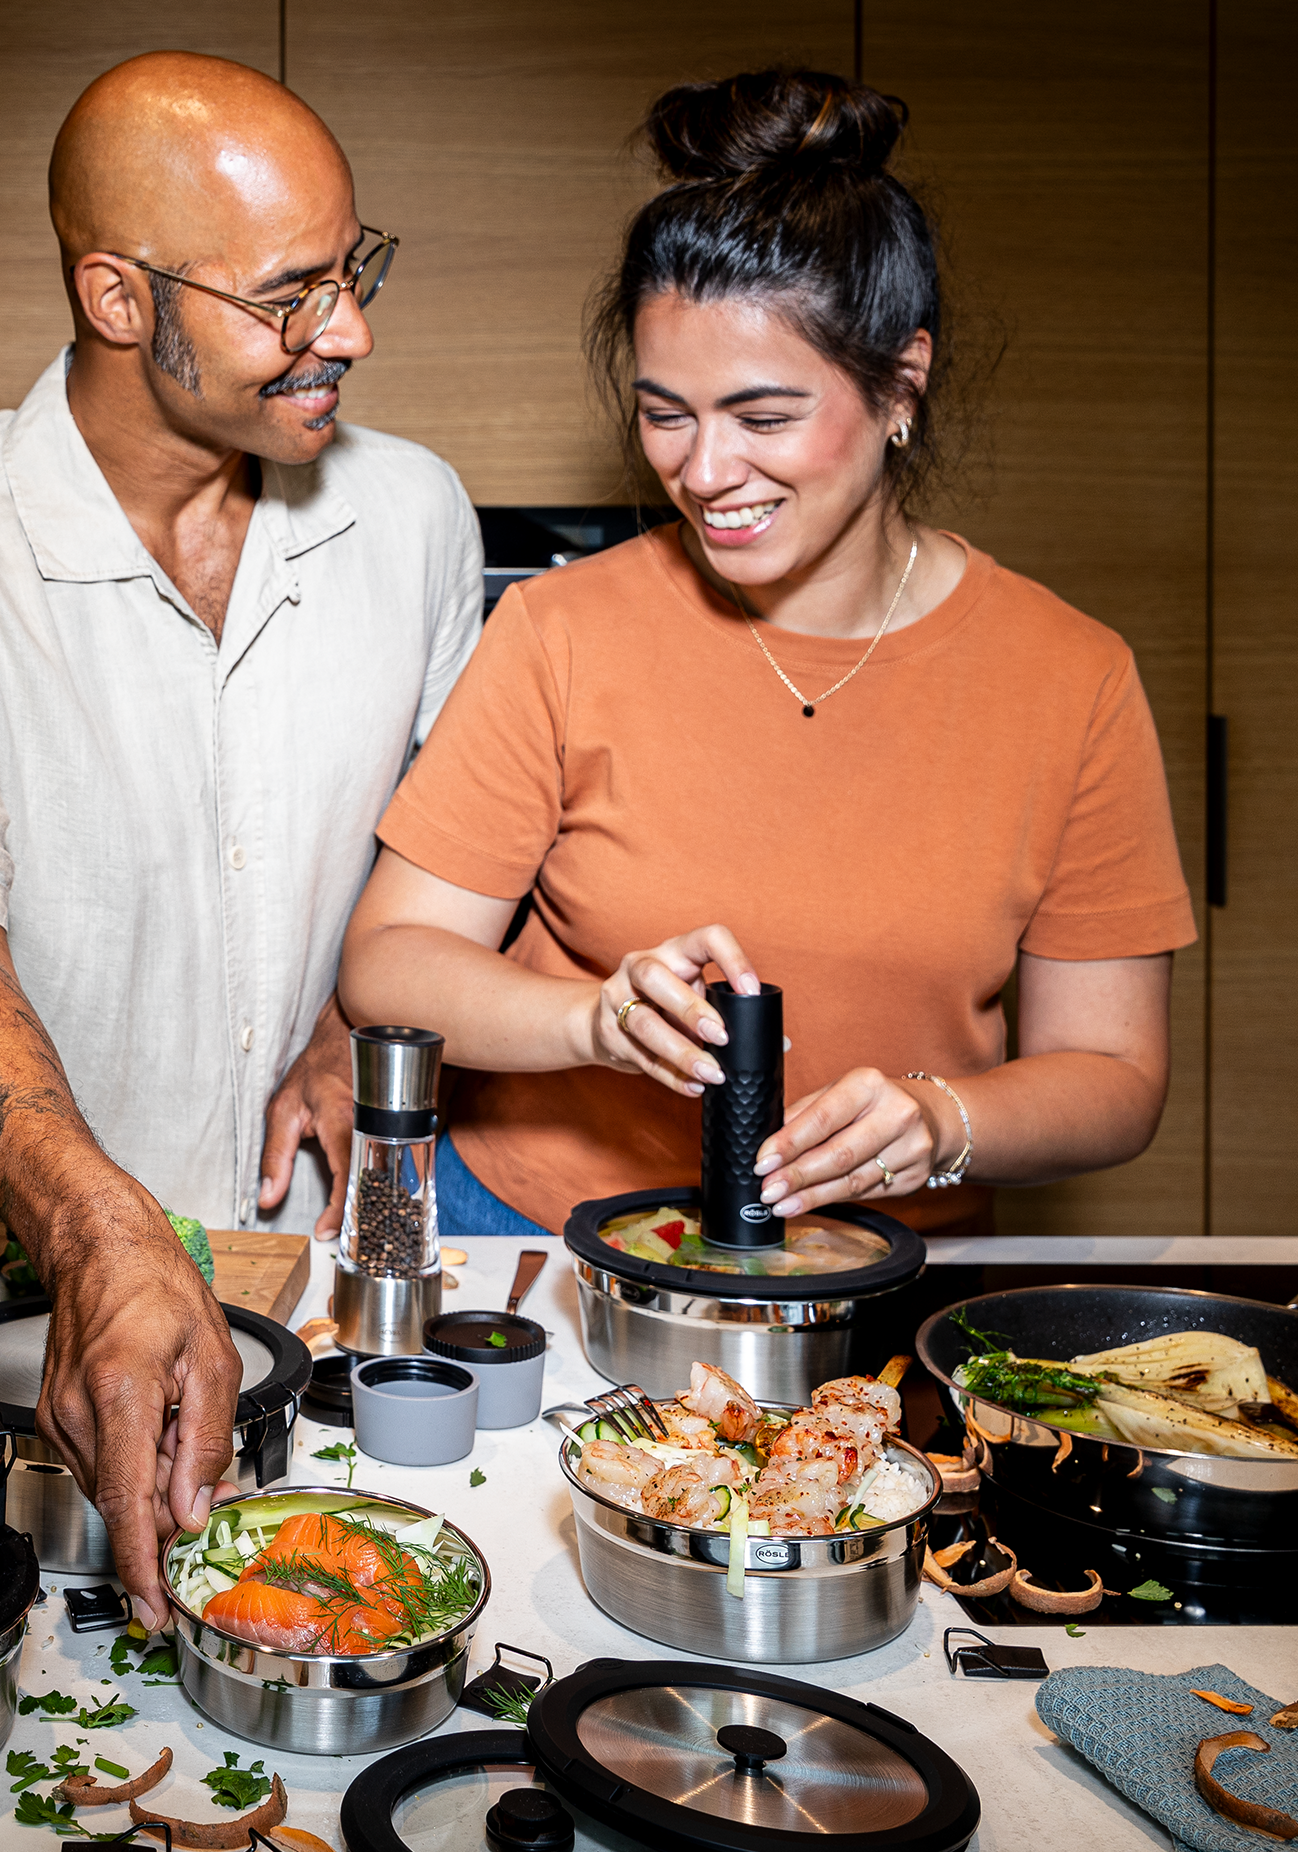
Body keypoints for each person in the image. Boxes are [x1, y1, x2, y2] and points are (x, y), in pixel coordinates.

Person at [0, 53, 482, 1626]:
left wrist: (351, 1006)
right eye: (292, 295)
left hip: (304, 1263)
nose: (351, 334)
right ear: (119, 295)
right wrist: (101, 1235)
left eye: (355, 270)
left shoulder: (420, 515)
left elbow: (448, 833)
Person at [339, 68, 1194, 1237]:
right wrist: (591, 1021)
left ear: (901, 378)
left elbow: (1112, 1073)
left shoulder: (1069, 676)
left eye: (762, 417)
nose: (701, 471)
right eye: (664, 412)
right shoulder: (559, 630)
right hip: (545, 1236)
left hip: (876, 1270)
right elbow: (390, 961)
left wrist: (940, 1120)